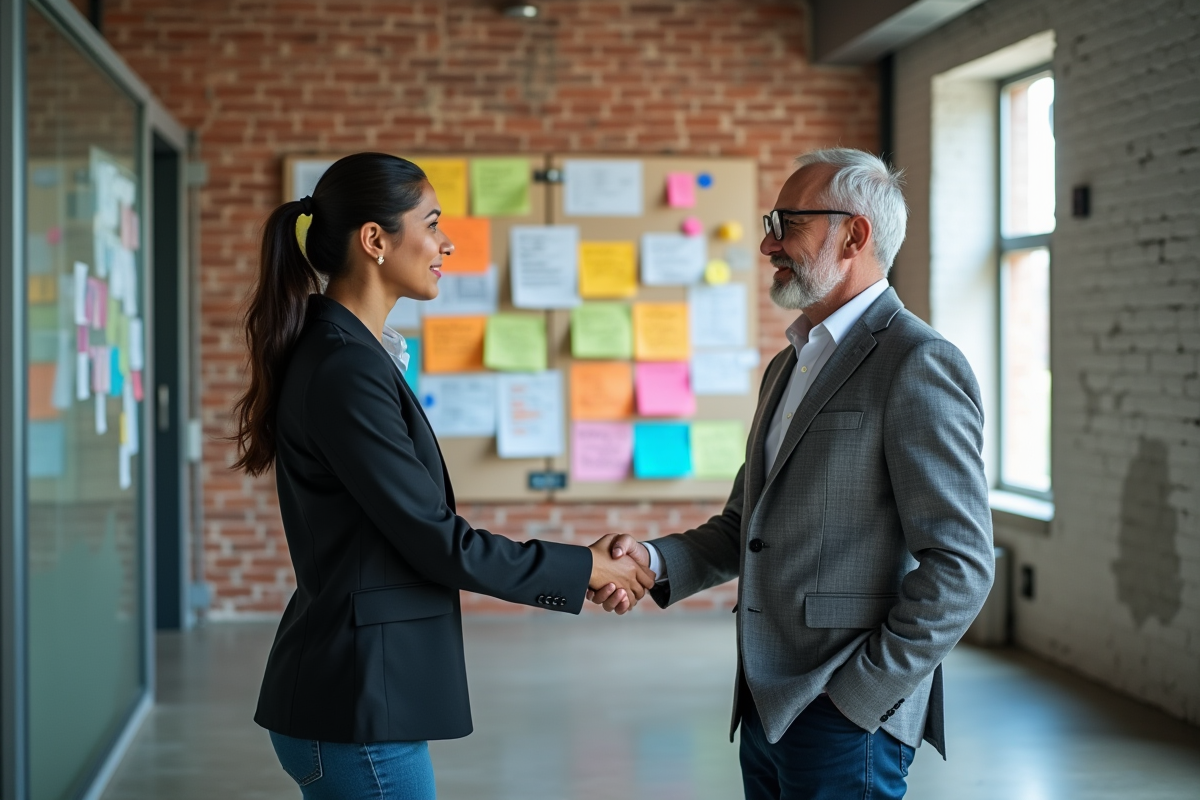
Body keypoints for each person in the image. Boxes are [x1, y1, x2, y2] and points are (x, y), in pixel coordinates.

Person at [231, 152, 654, 800]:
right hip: (357, 706)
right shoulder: (345, 368)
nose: (446, 243)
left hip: (361, 695)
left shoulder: (353, 355)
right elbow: (435, 540)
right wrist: (584, 568)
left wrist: (589, 568)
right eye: (431, 225)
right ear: (375, 241)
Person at [591, 148, 995, 799]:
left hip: (845, 713)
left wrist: (859, 697)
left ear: (854, 235)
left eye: (788, 224)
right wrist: (652, 560)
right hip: (765, 702)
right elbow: (745, 527)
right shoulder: (790, 364)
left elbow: (962, 563)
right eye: (769, 223)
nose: (767, 244)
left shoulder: (917, 361)